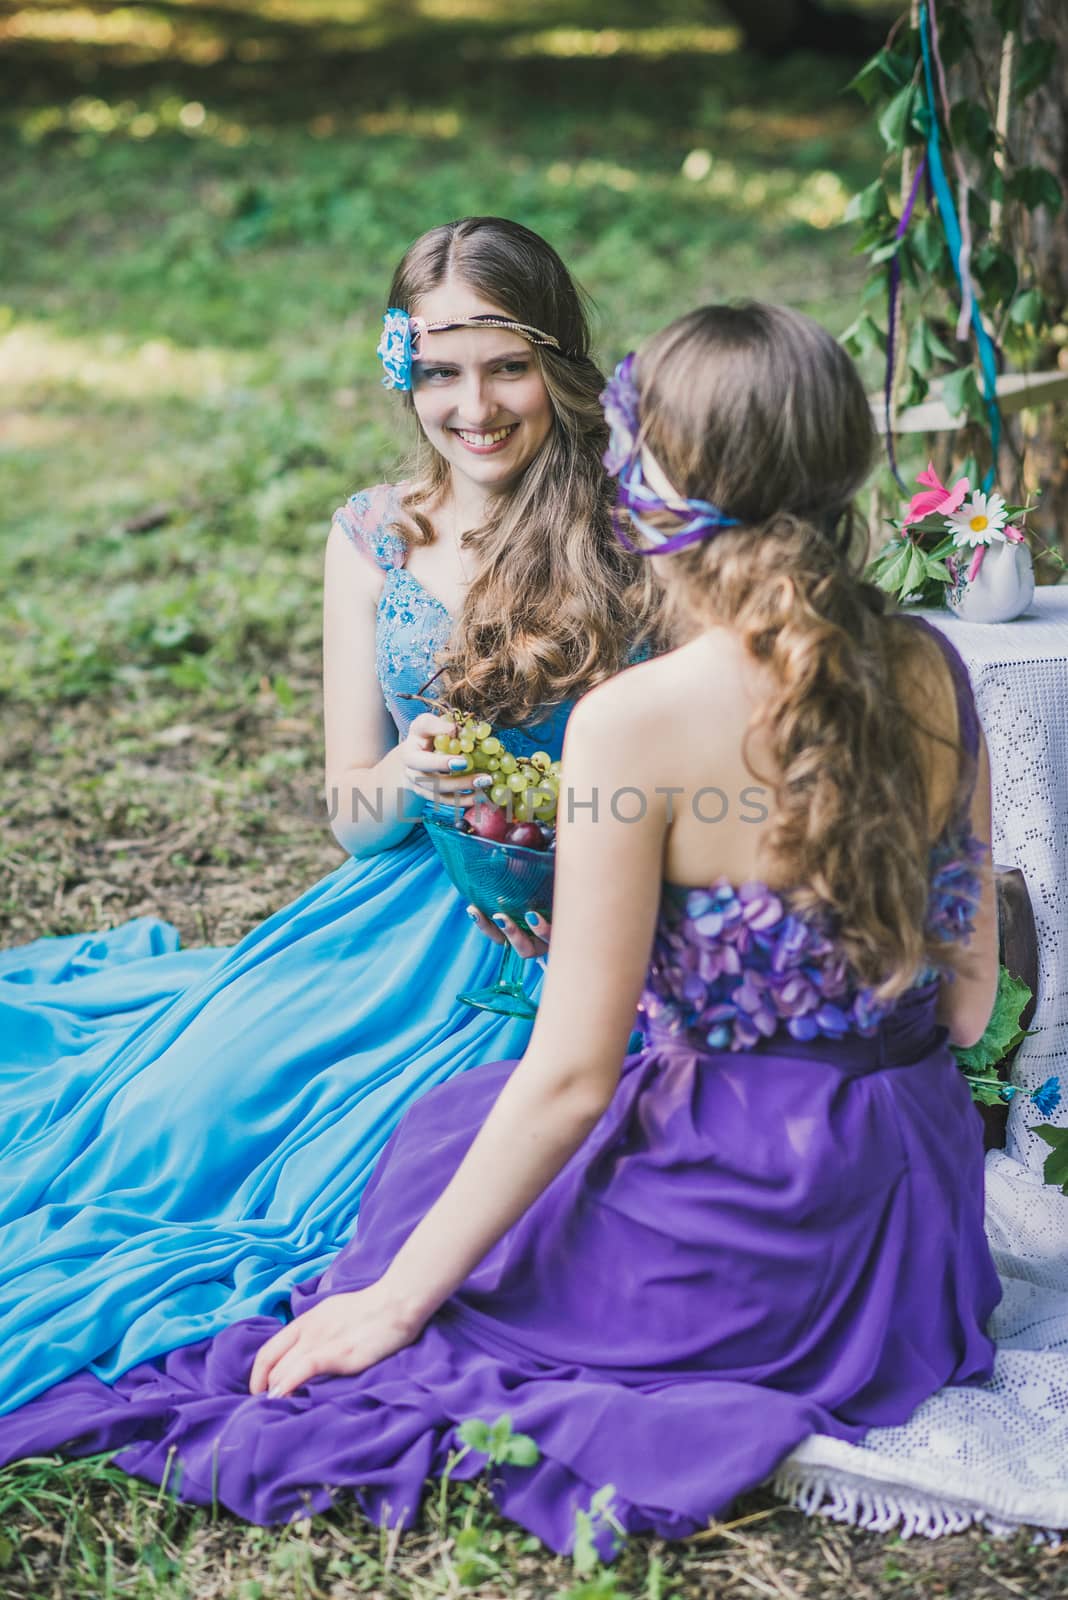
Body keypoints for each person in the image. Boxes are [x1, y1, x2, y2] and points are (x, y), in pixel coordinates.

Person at [0, 303, 1001, 1556]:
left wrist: (393, 1302)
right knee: (448, 1133)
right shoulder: (933, 669)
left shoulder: (634, 724)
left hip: (756, 1225)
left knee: (441, 1154)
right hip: (913, 1227)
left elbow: (573, 1077)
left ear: (660, 485)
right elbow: (966, 1001)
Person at [0, 216, 660, 1416]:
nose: (476, 405)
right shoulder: (372, 536)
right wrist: (409, 770)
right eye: (442, 373)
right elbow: (353, 818)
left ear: (557, 361)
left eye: (506, 365)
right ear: (405, 372)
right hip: (389, 915)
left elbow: (696, 759)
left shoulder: (634, 533)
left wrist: (581, 837)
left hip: (585, 929)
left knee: (360, 1177)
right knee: (173, 1120)